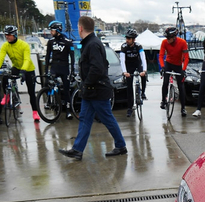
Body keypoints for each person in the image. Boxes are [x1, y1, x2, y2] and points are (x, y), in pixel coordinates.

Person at [58, 16, 127, 161]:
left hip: (97, 90)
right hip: (90, 91)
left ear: (80, 28)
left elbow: (97, 68)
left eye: (78, 27)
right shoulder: (90, 43)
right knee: (85, 119)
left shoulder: (93, 44)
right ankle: (77, 150)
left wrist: (86, 84)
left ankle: (121, 146)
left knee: (107, 118)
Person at [0, 25, 39, 122]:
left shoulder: (24, 45)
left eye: (9, 35)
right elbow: (0, 58)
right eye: (6, 35)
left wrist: (23, 71)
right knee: (5, 77)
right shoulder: (5, 46)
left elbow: (27, 59)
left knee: (31, 93)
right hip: (16, 67)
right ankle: (6, 96)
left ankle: (35, 112)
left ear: (14, 35)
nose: (7, 37)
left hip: (28, 69)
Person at [44, 20, 74, 119]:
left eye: (52, 30)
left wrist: (72, 70)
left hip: (64, 67)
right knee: (48, 83)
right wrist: (46, 70)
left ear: (58, 31)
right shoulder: (51, 42)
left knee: (66, 89)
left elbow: (72, 57)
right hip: (54, 67)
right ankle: (49, 101)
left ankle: (68, 111)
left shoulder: (68, 42)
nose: (51, 32)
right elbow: (47, 56)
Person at [159, 26, 189, 117]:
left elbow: (186, 57)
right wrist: (162, 67)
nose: (167, 40)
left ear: (174, 37)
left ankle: (183, 108)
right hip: (168, 63)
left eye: (169, 38)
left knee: (181, 86)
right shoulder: (164, 42)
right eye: (166, 38)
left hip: (178, 65)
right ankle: (163, 101)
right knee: (165, 82)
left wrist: (183, 69)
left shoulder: (182, 42)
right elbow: (161, 56)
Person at [120, 28, 147, 118]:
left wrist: (144, 70)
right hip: (129, 66)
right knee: (129, 87)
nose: (127, 40)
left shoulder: (138, 46)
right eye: (126, 38)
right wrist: (125, 72)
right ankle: (129, 108)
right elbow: (122, 60)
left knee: (143, 75)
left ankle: (143, 93)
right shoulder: (124, 46)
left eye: (129, 38)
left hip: (137, 64)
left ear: (133, 39)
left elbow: (143, 58)